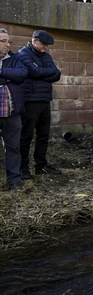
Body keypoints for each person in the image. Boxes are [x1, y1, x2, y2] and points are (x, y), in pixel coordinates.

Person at [17, 30, 62, 179]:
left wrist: (40, 73)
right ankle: (22, 168)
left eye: (47, 45)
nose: (46, 48)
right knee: (26, 136)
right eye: (44, 44)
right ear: (34, 41)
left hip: (44, 101)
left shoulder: (46, 56)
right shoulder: (23, 54)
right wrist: (43, 73)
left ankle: (41, 166)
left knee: (43, 135)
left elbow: (57, 74)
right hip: (30, 102)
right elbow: (34, 72)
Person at [0, 28, 27, 190]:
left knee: (13, 147)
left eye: (9, 41)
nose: (7, 45)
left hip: (12, 112)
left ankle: (14, 180)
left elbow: (22, 74)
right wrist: (9, 77)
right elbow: (14, 76)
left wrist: (1, 71)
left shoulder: (16, 58)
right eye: (3, 41)